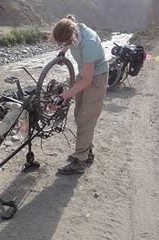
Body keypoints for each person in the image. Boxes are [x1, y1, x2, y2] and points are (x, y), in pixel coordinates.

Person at [52, 15, 109, 175]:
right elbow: (68, 42)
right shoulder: (74, 29)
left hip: (96, 77)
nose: (64, 45)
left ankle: (79, 162)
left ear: (73, 36)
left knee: (86, 118)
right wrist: (62, 52)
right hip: (84, 73)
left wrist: (64, 96)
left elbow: (87, 81)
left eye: (66, 43)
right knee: (79, 114)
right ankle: (86, 152)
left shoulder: (88, 43)